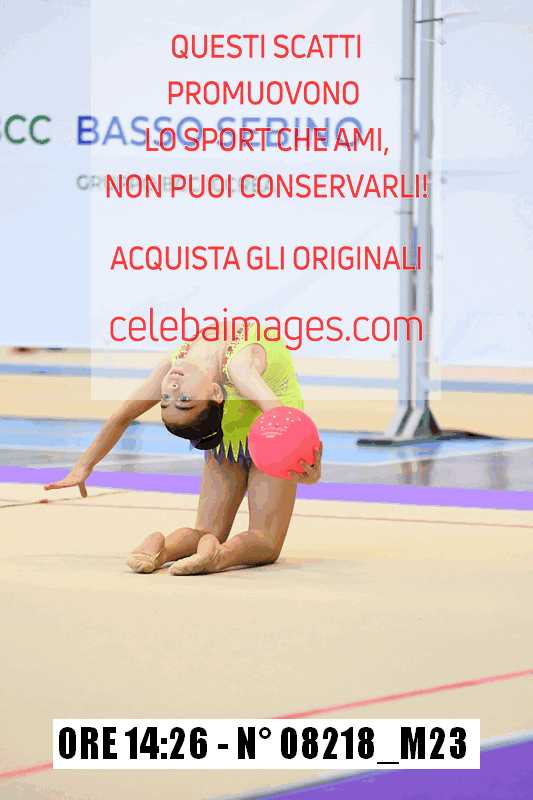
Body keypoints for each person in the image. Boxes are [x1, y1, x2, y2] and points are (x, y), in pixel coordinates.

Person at [44, 321, 322, 575]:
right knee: (264, 540)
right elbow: (282, 420)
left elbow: (122, 417)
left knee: (208, 530)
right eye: (182, 399)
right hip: (255, 438)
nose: (173, 388)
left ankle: (170, 550)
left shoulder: (191, 364)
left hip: (261, 438)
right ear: (215, 393)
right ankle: (206, 554)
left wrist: (84, 466)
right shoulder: (231, 368)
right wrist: (83, 465)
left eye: (167, 398)